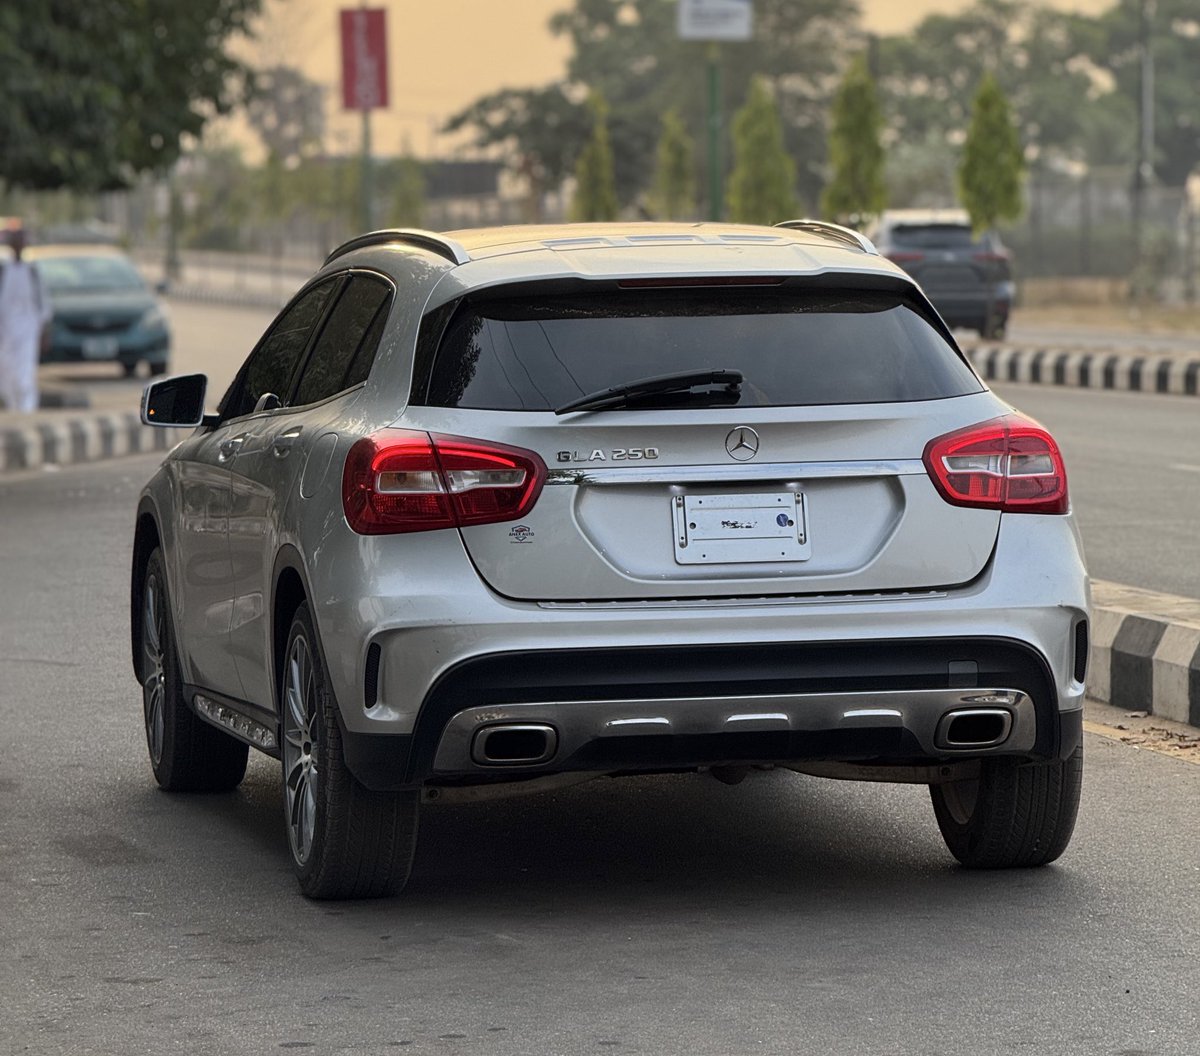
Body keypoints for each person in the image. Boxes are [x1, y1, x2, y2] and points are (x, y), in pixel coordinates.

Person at [0, 225, 52, 412]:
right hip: (5, 330)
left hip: (29, 328)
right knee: (6, 371)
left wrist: (45, 330)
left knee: (26, 370)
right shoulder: (4, 270)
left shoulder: (32, 271)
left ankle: (27, 408)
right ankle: (14, 407)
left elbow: (43, 302)